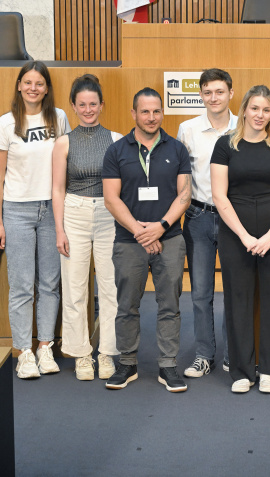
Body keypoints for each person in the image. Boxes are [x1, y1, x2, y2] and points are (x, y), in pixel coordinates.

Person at [102, 87, 191, 392]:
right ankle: (126, 364)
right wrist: (142, 232)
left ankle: (168, 366)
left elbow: (184, 195)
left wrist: (161, 227)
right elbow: (111, 199)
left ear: (162, 113)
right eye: (145, 111)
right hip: (129, 241)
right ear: (133, 114)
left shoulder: (177, 149)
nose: (151, 118)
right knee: (127, 305)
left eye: (156, 111)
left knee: (170, 304)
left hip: (170, 238)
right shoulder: (116, 151)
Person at [210, 85, 270, 394]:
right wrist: (245, 236)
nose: (260, 115)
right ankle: (242, 372)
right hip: (236, 234)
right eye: (255, 108)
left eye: (266, 110)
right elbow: (219, 196)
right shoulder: (224, 146)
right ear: (245, 109)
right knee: (238, 301)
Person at [0, 61, 71, 379]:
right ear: (19, 85)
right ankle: (24, 351)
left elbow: (63, 168)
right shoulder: (4, 124)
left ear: (47, 88)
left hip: (52, 210)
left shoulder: (59, 118)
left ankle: (45, 347)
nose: (33, 88)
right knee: (22, 286)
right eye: (28, 82)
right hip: (17, 211)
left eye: (39, 83)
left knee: (50, 284)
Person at [52, 74, 122, 381]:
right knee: (75, 287)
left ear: (102, 105)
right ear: (73, 106)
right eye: (82, 104)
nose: (88, 109)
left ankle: (106, 351)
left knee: (110, 286)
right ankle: (81, 354)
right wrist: (59, 230)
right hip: (74, 213)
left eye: (93, 103)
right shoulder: (63, 142)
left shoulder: (118, 140)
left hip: (109, 215)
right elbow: (57, 189)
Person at [177, 68, 237, 378]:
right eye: (207, 92)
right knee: (200, 292)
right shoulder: (186, 129)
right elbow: (180, 178)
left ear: (230, 92)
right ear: (201, 94)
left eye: (219, 91)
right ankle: (203, 354)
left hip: (233, 220)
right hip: (198, 217)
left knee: (234, 291)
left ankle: (231, 354)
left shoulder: (245, 127)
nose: (214, 97)